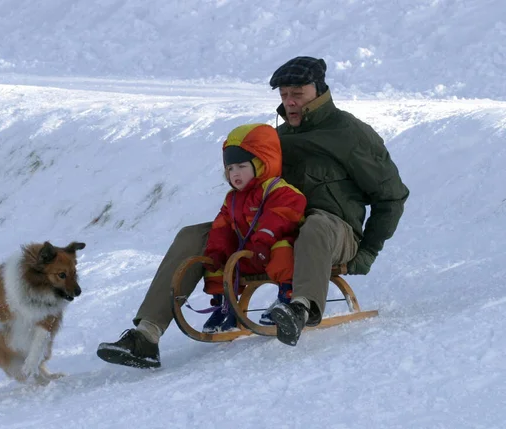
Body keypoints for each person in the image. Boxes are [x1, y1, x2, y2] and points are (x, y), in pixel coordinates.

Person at [97, 56, 409, 368]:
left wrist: (367, 251)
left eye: (297, 95)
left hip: (332, 231)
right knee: (194, 235)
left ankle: (299, 309)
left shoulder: (351, 134)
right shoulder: (276, 139)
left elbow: (391, 196)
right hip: (273, 230)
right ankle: (146, 335)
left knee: (315, 225)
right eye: (284, 95)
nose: (289, 103)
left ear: (320, 91)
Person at [200, 123, 306, 334]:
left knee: (283, 250)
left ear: (261, 164)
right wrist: (217, 252)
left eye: (242, 166)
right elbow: (222, 227)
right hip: (249, 256)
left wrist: (264, 240)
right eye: (230, 169)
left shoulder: (278, 189)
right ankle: (225, 305)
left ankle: (287, 300)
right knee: (216, 263)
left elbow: (280, 216)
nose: (235, 173)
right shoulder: (231, 199)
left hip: (271, 251)